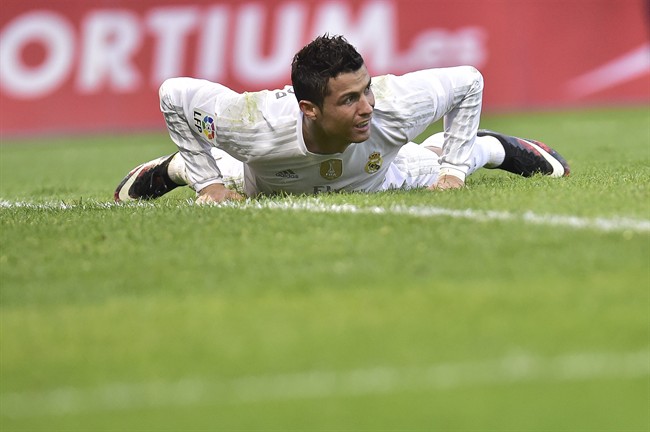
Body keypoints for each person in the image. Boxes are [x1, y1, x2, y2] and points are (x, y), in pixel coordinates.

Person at [114, 34, 569, 204]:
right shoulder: (250, 124)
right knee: (224, 172)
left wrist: (452, 173)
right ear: (309, 108)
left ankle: (489, 147)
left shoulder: (392, 106)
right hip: (264, 180)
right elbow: (173, 94)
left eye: (366, 88)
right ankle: (175, 168)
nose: (366, 105)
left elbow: (469, 81)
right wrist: (207, 183)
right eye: (349, 99)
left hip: (381, 175)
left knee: (445, 161)